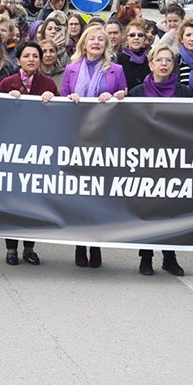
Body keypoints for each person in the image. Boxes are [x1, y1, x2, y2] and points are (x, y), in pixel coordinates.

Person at [128, 44, 193, 276]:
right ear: (150, 64)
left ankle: (169, 256)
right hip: (146, 160)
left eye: (168, 60)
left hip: (174, 160)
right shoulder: (137, 93)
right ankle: (146, 257)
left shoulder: (183, 92)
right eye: (159, 60)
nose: (163, 64)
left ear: (173, 65)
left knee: (171, 210)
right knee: (148, 210)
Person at [61, 24, 127, 268]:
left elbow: (125, 96)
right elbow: (62, 98)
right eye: (92, 39)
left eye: (102, 39)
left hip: (104, 139)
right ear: (84, 44)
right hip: (77, 140)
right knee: (79, 194)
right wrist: (68, 98)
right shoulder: (71, 69)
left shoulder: (116, 70)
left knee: (98, 194)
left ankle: (96, 242)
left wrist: (119, 96)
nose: (97, 42)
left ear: (106, 45)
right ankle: (80, 243)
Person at [0, 42, 58, 267]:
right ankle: (11, 248)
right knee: (13, 202)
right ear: (18, 59)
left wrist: (54, 100)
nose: (31, 59)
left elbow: (59, 118)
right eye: (26, 55)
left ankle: (29, 247)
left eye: (35, 56)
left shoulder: (48, 84)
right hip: (13, 150)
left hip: (39, 151)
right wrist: (5, 99)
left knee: (34, 201)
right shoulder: (7, 83)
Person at [116, 19, 151, 87]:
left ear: (144, 39)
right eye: (132, 35)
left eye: (140, 35)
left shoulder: (149, 61)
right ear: (126, 39)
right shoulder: (118, 59)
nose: (136, 38)